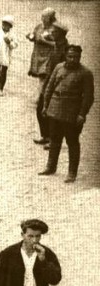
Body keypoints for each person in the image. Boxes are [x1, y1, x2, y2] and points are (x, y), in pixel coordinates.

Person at [38, 44, 92, 183]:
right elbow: (49, 87)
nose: (73, 59)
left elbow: (88, 97)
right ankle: (51, 167)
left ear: (80, 57)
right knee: (55, 140)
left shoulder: (85, 73)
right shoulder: (58, 68)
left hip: (72, 114)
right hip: (55, 110)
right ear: (65, 56)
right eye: (70, 56)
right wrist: (45, 106)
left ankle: (72, 173)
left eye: (76, 57)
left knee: (72, 142)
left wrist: (82, 114)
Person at [33, 20, 70, 146]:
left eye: (54, 31)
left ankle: (53, 140)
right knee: (40, 109)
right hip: (49, 83)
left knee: (53, 115)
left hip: (57, 86)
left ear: (60, 33)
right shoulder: (56, 45)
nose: (52, 32)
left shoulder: (66, 50)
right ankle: (45, 136)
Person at [26, 8, 57, 80]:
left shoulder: (55, 29)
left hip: (48, 57)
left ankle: (42, 91)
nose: (42, 19)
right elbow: (34, 37)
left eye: (45, 17)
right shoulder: (39, 26)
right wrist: (30, 37)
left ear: (51, 18)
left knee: (45, 77)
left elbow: (57, 45)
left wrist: (44, 41)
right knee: (41, 78)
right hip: (38, 55)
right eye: (42, 16)